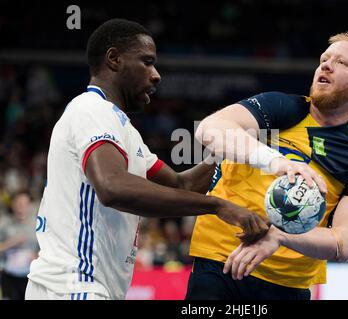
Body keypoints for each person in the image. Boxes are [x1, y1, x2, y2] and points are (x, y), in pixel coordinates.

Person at [25, 19, 269, 300]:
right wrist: (217, 205)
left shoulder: (124, 128)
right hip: (72, 285)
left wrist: (234, 145)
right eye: (147, 62)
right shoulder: (90, 109)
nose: (156, 75)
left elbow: (182, 184)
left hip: (85, 287)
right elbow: (113, 188)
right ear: (114, 59)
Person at [188, 32, 348, 300]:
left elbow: (344, 243)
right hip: (220, 262)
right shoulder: (282, 107)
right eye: (324, 59)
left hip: (288, 284)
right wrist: (276, 162)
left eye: (342, 63)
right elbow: (210, 130)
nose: (326, 65)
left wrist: (280, 237)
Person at [0, 191, 39, 300]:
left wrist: (36, 255)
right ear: (12, 204)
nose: (21, 207)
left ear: (30, 205)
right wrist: (11, 243)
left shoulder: (37, 225)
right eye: (18, 203)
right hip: (9, 276)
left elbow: (48, 250)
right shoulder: (4, 224)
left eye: (25, 203)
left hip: (31, 276)